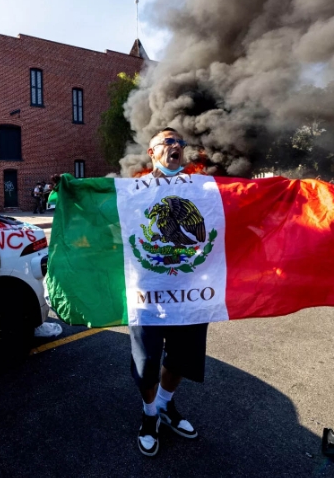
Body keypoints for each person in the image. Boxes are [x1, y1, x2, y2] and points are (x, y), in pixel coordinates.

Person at [133, 127, 206, 457]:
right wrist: (74, 191)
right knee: (147, 362)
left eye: (180, 142)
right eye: (168, 142)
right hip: (147, 296)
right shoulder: (133, 190)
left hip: (190, 295)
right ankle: (149, 417)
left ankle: (164, 405)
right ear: (152, 152)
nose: (176, 146)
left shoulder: (201, 189)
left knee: (181, 358)